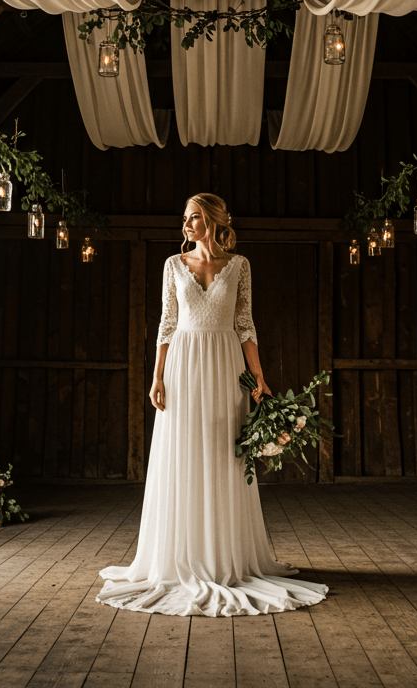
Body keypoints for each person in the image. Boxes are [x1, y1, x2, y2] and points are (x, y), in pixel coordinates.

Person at [95, 193, 328, 617]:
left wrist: (259, 377)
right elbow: (166, 323)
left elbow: (245, 324)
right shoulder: (172, 265)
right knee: (183, 454)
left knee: (223, 454)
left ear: (215, 221)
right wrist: (157, 376)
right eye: (185, 217)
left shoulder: (239, 265)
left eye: (195, 217)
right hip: (182, 366)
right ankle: (178, 554)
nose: (186, 224)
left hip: (224, 365)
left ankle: (224, 556)